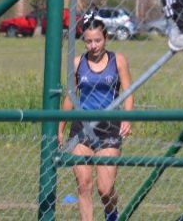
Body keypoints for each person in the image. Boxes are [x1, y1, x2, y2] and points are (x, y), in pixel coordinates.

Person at [58, 17, 133, 221]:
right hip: (81, 129)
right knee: (84, 185)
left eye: (97, 40)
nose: (93, 46)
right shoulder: (77, 63)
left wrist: (127, 119)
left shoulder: (118, 60)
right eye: (88, 41)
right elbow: (70, 97)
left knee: (105, 189)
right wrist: (60, 127)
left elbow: (128, 91)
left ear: (106, 38)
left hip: (109, 128)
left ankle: (111, 211)